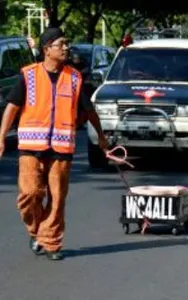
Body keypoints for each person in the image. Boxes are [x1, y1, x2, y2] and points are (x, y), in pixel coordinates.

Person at [0, 28, 109, 261]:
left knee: (57, 197)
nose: (66, 48)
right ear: (46, 49)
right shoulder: (28, 75)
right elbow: (12, 107)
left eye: (67, 43)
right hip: (30, 146)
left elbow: (89, 111)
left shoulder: (74, 78)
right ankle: (36, 230)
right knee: (29, 194)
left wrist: (101, 136)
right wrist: (0, 138)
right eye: (61, 44)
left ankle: (51, 242)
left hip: (62, 148)